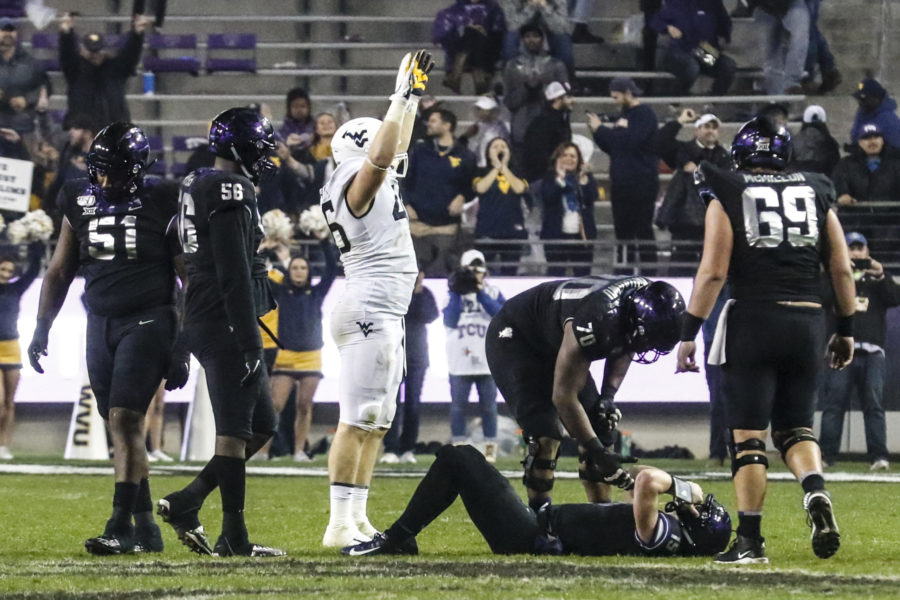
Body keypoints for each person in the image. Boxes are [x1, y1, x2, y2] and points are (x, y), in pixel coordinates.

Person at [675, 116, 855, 563]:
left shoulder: (728, 190)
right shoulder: (816, 190)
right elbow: (842, 269)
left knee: (749, 437)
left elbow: (713, 272)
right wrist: (846, 329)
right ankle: (814, 491)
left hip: (754, 320)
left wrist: (689, 333)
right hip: (808, 321)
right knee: (796, 427)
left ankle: (751, 541)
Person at [28, 122, 183, 555]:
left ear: (136, 169)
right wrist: (43, 325)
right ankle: (147, 525)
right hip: (100, 320)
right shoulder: (77, 196)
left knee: (126, 419)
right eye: (101, 171)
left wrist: (184, 343)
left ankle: (120, 525)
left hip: (150, 317)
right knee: (116, 423)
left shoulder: (161, 198)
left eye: (116, 172)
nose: (106, 181)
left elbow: (187, 274)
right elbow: (60, 268)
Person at [158, 107, 285, 558]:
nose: (268, 155)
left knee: (264, 425)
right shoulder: (232, 188)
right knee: (234, 431)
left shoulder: (197, 181)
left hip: (209, 312)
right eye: (262, 147)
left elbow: (180, 240)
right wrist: (249, 340)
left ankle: (189, 500)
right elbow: (232, 270)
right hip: (225, 318)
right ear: (243, 148)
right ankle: (234, 536)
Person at [319, 50, 433, 548]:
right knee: (357, 418)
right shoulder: (351, 178)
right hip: (368, 308)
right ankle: (338, 522)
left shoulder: (368, 170)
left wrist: (409, 102)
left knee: (377, 420)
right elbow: (381, 156)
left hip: (382, 309)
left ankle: (358, 515)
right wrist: (398, 97)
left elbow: (392, 149)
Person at [485, 275, 685, 511]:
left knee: (600, 424)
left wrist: (608, 396)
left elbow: (627, 345)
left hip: (556, 339)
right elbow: (563, 398)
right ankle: (539, 519)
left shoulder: (640, 302)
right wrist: (599, 454)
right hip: (518, 338)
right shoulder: (598, 317)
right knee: (545, 436)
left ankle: (602, 513)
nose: (647, 349)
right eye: (648, 341)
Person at [342, 444, 731, 560]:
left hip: (530, 535)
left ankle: (399, 536)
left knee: (459, 458)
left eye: (702, 511)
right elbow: (641, 481)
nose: (696, 505)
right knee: (458, 460)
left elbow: (648, 482)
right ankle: (402, 536)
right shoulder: (670, 532)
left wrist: (685, 489)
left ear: (697, 529)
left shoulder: (665, 537)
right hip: (536, 525)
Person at [819, 232, 900, 470]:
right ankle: (825, 456)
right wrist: (838, 270)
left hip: (873, 352)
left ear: (867, 252)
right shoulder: (835, 278)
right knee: (834, 404)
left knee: (874, 406)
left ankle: (879, 457)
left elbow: (895, 297)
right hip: (841, 353)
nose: (855, 253)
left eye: (859, 249)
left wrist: (881, 273)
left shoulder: (876, 283)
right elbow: (822, 297)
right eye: (850, 248)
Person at [269, 241, 338, 462]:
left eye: (303, 268)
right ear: (289, 271)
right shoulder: (280, 291)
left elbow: (331, 269)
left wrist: (324, 241)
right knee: (274, 406)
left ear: (309, 272)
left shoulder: (317, 293)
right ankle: (261, 451)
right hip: (286, 356)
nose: (299, 272)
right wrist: (263, 248)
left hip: (311, 357)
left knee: (304, 406)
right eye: (295, 268)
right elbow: (255, 269)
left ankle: (299, 451)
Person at [588, 77, 659, 270]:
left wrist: (600, 130)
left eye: (616, 96)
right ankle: (623, 272)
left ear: (628, 92)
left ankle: (649, 272)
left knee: (643, 230)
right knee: (623, 232)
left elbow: (628, 142)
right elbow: (615, 147)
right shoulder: (625, 115)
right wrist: (597, 132)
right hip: (621, 182)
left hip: (641, 182)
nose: (614, 100)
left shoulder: (644, 114)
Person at [444, 250, 505, 460]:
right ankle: (459, 447)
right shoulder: (452, 293)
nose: (475, 275)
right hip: (459, 360)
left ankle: (490, 449)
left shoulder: (494, 291)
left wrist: (480, 292)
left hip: (487, 359)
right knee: (458, 406)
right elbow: (450, 321)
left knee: (489, 407)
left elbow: (500, 315)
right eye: (470, 271)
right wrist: (457, 291)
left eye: (478, 270)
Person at [654, 112, 730, 272]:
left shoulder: (724, 156)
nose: (711, 131)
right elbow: (660, 141)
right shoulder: (683, 150)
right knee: (680, 265)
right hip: (684, 221)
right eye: (707, 127)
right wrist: (681, 120)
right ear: (696, 131)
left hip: (712, 220)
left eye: (714, 127)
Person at [404, 108, 476, 277]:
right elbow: (404, 181)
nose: (429, 123)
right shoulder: (419, 151)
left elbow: (471, 185)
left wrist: (462, 196)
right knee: (412, 275)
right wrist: (406, 204)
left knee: (442, 275)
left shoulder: (465, 155)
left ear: (447, 125)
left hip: (446, 227)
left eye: (434, 120)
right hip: (417, 226)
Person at [381, 269, 440, 464]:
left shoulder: (425, 294)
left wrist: (417, 293)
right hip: (394, 355)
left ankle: (408, 448)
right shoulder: (393, 291)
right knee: (391, 404)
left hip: (417, 358)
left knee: (413, 404)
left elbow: (430, 315)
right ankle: (391, 448)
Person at [59, 12, 150, 126]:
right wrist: (66, 34)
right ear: (82, 50)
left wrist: (137, 34)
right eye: (91, 51)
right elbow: (67, 55)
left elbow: (130, 55)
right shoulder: (76, 70)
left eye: (97, 50)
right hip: (84, 130)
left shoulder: (115, 69)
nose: (94, 55)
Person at [502, 23, 568, 168]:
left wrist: (542, 89)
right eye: (527, 36)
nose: (531, 40)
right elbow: (509, 101)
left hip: (549, 127)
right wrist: (526, 89)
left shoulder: (556, 65)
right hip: (521, 126)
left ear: (543, 39)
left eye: (536, 36)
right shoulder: (512, 66)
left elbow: (565, 99)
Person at [0, 241, 43, 460]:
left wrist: (37, 241)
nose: (6, 273)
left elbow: (33, 270)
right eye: (3, 269)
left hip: (12, 347)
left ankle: (5, 445)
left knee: (9, 402)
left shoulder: (16, 289)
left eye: (9, 270)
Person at [650, 0, 736, 96]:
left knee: (728, 66)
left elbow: (726, 24)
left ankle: (711, 102)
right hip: (680, 49)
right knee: (691, 68)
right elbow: (655, 21)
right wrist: (668, 27)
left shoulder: (714, 3)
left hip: (703, 51)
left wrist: (725, 37)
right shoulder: (675, 2)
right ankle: (675, 100)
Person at [538, 142, 597, 276]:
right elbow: (548, 197)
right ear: (557, 158)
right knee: (555, 275)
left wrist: (582, 180)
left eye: (573, 156)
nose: (569, 159)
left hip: (582, 237)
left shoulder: (585, 178)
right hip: (556, 236)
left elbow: (592, 196)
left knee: (583, 276)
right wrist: (561, 179)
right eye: (565, 155)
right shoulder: (549, 178)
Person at [473, 136, 528, 275]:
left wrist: (504, 167)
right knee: (483, 271)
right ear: (488, 152)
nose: (499, 149)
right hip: (487, 229)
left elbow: (519, 188)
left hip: (512, 230)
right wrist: (496, 167)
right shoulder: (480, 171)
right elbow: (480, 188)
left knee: (510, 271)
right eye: (495, 147)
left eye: (503, 146)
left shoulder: (518, 172)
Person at [432, 0, 506, 95]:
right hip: (461, 47)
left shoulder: (493, 9)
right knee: (471, 33)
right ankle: (479, 78)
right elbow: (444, 39)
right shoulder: (451, 11)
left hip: (487, 50)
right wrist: (466, 30)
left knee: (474, 34)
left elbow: (498, 36)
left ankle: (456, 74)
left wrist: (483, 33)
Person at [0, 16, 49, 135]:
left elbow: (44, 89)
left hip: (23, 127)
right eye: (3, 30)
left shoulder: (31, 63)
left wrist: (27, 100)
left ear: (16, 34)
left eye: (11, 30)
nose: (8, 34)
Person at [500, 0, 574, 77]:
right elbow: (512, 26)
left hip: (550, 32)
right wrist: (530, 7)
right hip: (522, 32)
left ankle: (566, 82)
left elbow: (561, 28)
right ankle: (511, 80)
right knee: (510, 39)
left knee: (562, 39)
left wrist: (544, 6)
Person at [832, 123, 900, 206]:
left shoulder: (896, 164)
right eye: (867, 138)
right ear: (860, 143)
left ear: (882, 141)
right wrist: (843, 195)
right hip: (857, 215)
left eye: (876, 137)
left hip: (891, 215)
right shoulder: (845, 165)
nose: (872, 141)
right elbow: (838, 186)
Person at [751, 0, 809, 95]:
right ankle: (776, 96)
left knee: (800, 36)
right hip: (764, 6)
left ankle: (792, 84)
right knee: (771, 52)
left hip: (793, 3)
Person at [522, 80, 572, 182]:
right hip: (544, 179)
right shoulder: (543, 122)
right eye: (568, 97)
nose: (573, 100)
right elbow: (537, 156)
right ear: (558, 99)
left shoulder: (560, 119)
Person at [458, 95, 510, 169]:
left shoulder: (500, 127)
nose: (481, 113)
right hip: (477, 164)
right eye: (479, 109)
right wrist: (467, 135)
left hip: (492, 166)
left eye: (483, 110)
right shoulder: (477, 125)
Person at [849, 77, 900, 148]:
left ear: (877, 99)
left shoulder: (888, 120)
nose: (861, 103)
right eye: (859, 99)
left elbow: (895, 150)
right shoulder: (862, 113)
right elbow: (854, 137)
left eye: (864, 99)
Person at [791, 105, 840, 176]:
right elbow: (835, 168)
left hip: (799, 182)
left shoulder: (794, 141)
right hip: (822, 183)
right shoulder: (830, 142)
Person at [279, 87, 315, 158]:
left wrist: (304, 139)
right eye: (295, 106)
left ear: (309, 108)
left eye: (303, 106)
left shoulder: (315, 128)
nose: (299, 110)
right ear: (289, 109)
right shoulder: (283, 131)